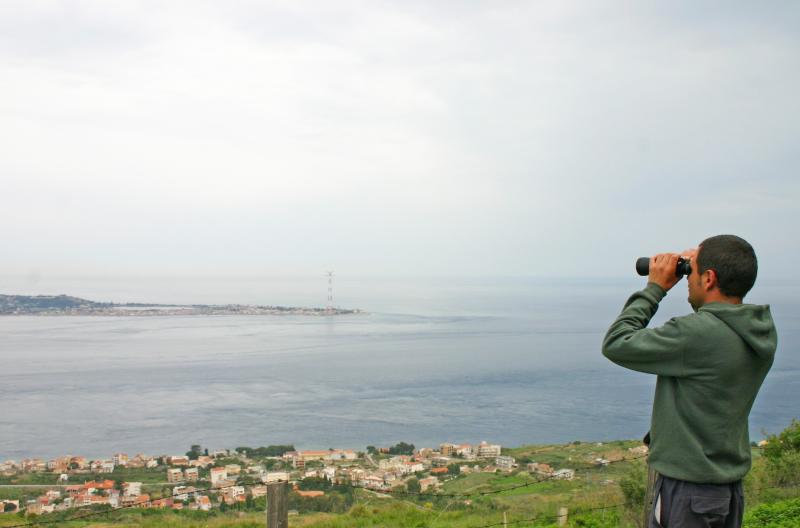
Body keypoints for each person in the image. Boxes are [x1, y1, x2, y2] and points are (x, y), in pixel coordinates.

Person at [602, 235, 777, 528]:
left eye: (691, 272)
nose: (686, 279)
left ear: (709, 279)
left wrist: (655, 288)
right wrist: (700, 264)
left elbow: (617, 342)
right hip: (725, 488)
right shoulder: (757, 331)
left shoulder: (698, 335)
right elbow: (715, 321)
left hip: (688, 492)